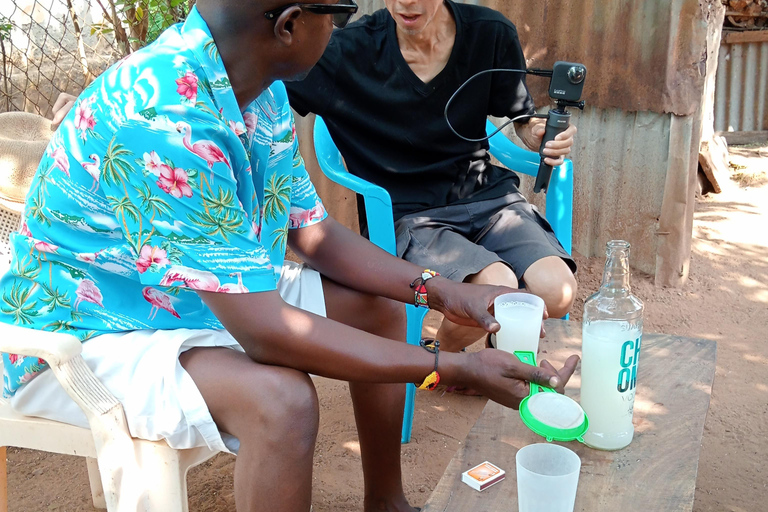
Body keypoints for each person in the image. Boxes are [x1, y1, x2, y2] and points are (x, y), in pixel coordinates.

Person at [3, 1, 578, 511]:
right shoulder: (164, 117)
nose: (343, 26)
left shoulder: (257, 87)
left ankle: (385, 501)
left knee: (377, 306)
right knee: (282, 402)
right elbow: (267, 336)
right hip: (82, 332)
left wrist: (443, 289)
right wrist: (451, 366)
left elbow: (312, 233)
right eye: (340, 13)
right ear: (289, 25)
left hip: (186, 294)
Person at [284, 0, 579, 355]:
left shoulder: (490, 32)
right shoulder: (345, 51)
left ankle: (456, 353)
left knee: (557, 290)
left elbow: (519, 116)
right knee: (496, 288)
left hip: (489, 197)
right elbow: (261, 85)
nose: (407, 2)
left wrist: (536, 134)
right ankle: (447, 358)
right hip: (410, 215)